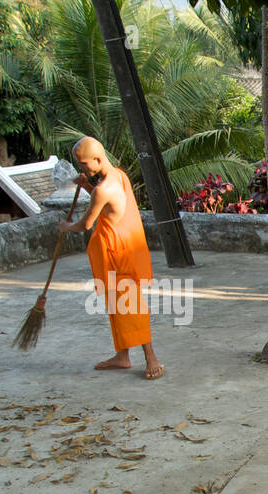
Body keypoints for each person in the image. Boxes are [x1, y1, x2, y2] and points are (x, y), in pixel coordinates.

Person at [60, 136, 164, 380]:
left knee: (130, 307)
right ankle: (122, 356)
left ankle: (151, 358)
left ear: (97, 159)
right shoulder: (117, 175)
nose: (82, 169)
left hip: (119, 254)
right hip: (118, 249)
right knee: (117, 307)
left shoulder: (102, 188)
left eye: (84, 164)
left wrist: (66, 226)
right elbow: (108, 206)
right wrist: (86, 184)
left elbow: (85, 224)